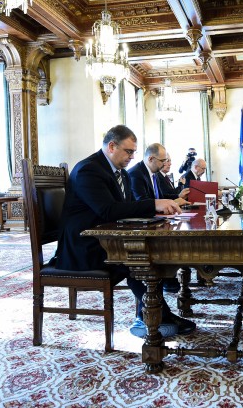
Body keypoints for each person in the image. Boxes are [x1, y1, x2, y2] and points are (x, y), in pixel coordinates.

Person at [55, 125, 196, 339]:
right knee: (139, 259)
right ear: (112, 146)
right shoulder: (89, 170)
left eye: (133, 152)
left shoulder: (120, 173)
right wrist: (154, 204)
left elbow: (126, 208)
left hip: (105, 240)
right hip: (83, 246)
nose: (132, 157)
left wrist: (156, 213)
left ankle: (152, 315)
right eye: (129, 151)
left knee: (149, 254)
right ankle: (158, 316)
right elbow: (108, 210)